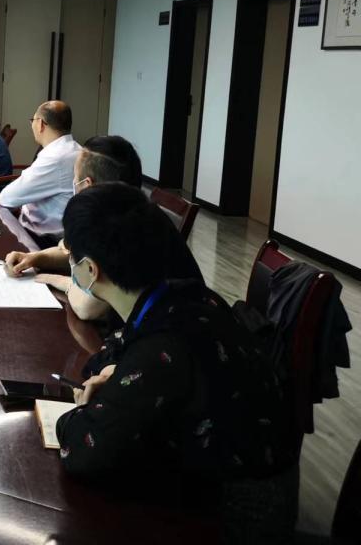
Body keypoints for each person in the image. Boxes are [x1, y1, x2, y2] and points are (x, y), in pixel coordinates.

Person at [55, 183, 297, 543]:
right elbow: (103, 359)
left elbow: (82, 450)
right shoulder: (183, 296)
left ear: (90, 270)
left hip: (230, 516)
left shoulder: (163, 349)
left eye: (71, 256)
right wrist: (114, 373)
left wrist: (82, 408)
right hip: (223, 479)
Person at [4, 135, 202, 321]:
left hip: (169, 329)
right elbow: (70, 251)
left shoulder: (124, 226)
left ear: (87, 185)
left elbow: (88, 308)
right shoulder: (119, 208)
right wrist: (34, 258)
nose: (74, 184)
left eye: (75, 178)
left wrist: (59, 281)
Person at [0, 101, 81, 244]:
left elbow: (6, 198)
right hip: (58, 236)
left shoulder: (55, 157)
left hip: (40, 238)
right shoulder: (75, 149)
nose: (32, 125)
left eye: (33, 120)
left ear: (41, 124)